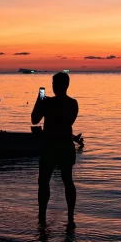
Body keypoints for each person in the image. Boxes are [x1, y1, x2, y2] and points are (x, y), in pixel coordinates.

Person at [31, 72, 79, 225]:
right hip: (65, 146)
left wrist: (40, 99)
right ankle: (70, 217)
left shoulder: (47, 102)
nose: (52, 86)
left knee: (44, 181)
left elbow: (34, 119)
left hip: (51, 147)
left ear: (57, 85)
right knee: (67, 181)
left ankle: (42, 216)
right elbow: (66, 122)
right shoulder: (73, 103)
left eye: (54, 83)